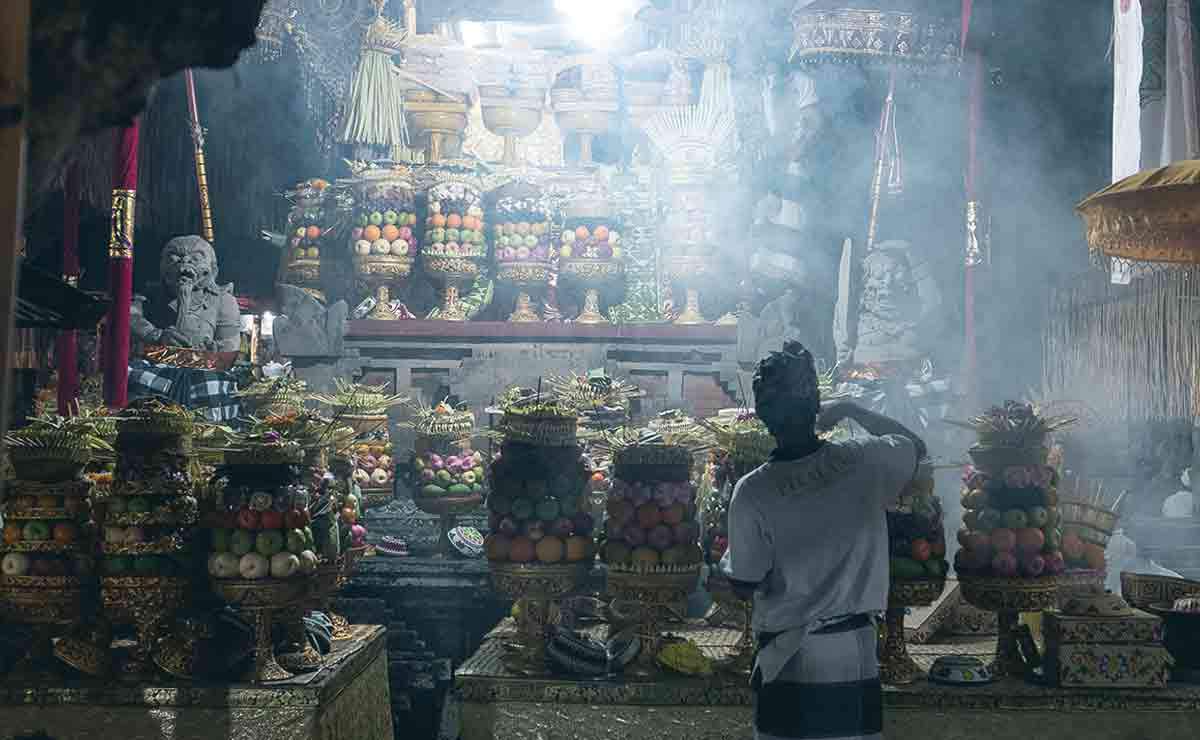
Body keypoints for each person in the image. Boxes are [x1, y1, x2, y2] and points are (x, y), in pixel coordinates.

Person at [722, 340, 925, 740]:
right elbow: (915, 447)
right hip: (856, 650)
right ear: (817, 405)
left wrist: (722, 571)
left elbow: (744, 582)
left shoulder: (753, 491)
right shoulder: (865, 461)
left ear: (762, 415)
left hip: (790, 657)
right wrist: (851, 408)